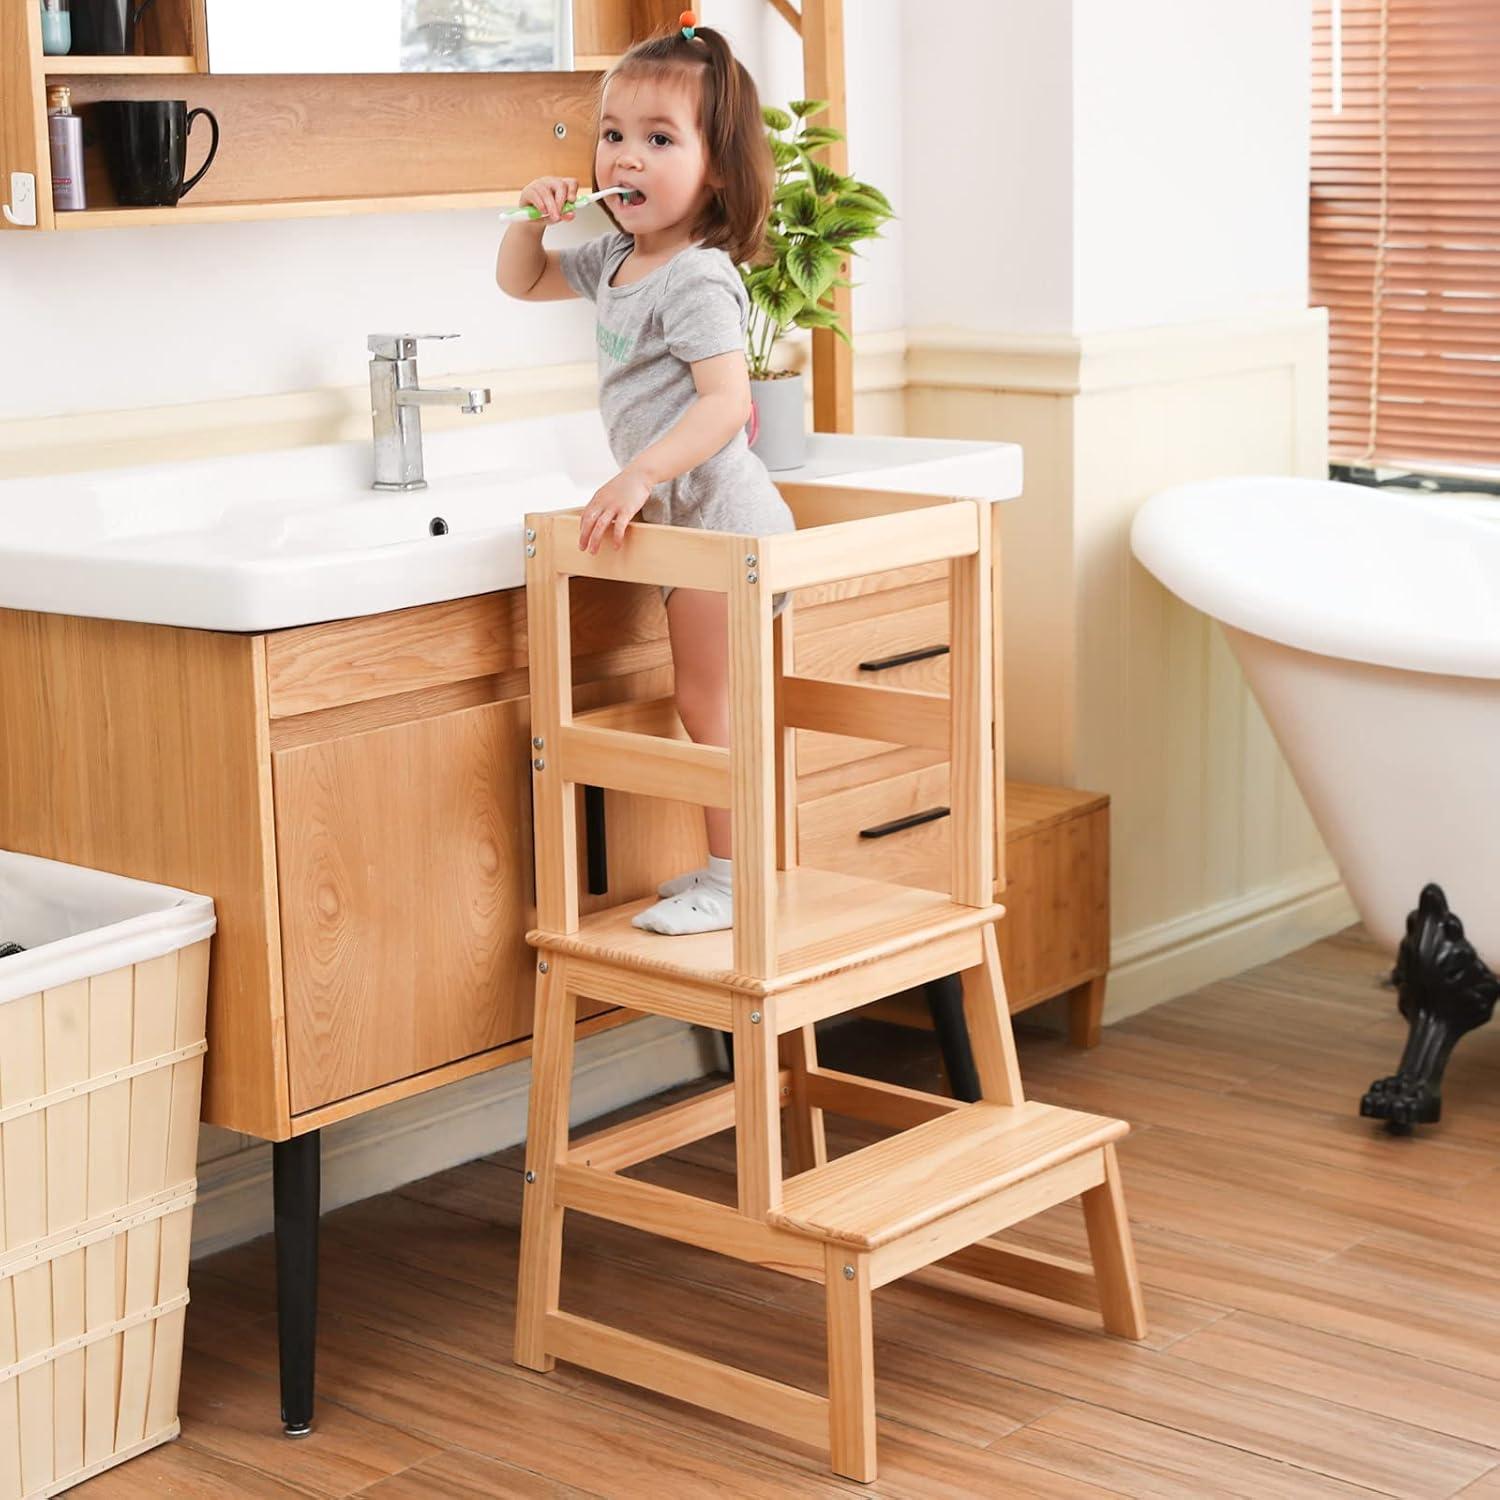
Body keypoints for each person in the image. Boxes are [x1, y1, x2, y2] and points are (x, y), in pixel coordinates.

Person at [496, 12, 794, 936]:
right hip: (690, 532)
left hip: (721, 527)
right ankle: (730, 871)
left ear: (717, 167)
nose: (625, 159)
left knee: (711, 704)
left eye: (659, 140)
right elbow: (524, 282)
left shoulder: (697, 276)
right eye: (614, 136)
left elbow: (722, 405)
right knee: (709, 702)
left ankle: (735, 881)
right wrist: (527, 219)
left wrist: (638, 476)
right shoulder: (620, 257)